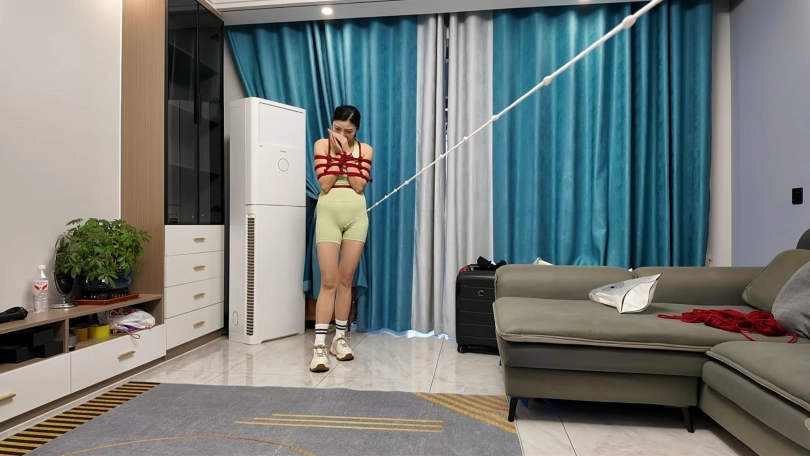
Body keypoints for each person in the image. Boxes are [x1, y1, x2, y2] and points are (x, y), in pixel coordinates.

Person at [310, 105, 373, 372]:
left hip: (356, 214)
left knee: (346, 280)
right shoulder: (321, 145)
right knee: (329, 281)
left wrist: (346, 153)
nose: (342, 135)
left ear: (356, 130)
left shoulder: (365, 149)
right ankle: (319, 346)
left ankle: (339, 339)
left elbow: (359, 186)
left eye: (349, 131)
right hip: (328, 213)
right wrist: (340, 155)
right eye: (338, 129)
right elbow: (325, 184)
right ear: (332, 125)